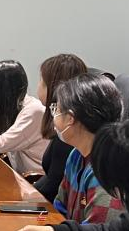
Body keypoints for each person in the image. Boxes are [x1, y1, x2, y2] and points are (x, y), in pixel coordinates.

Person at [49, 72, 124, 225]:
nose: (54, 115)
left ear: (70, 118)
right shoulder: (76, 155)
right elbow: (60, 206)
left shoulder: (107, 170)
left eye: (57, 109)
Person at [33, 53, 88, 202]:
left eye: (41, 82)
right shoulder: (64, 133)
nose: (38, 86)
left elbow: (53, 186)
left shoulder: (69, 139)